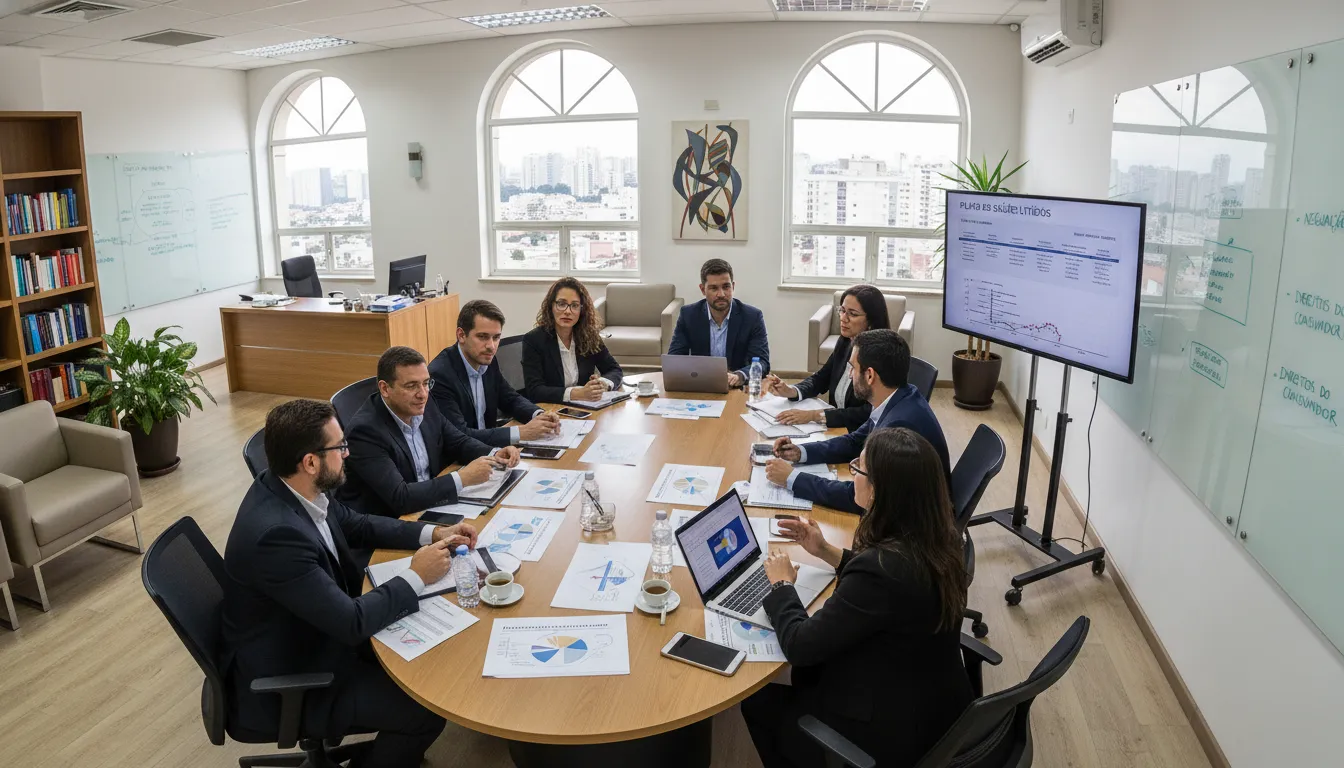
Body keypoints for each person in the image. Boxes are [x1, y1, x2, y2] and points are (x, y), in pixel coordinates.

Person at [221, 398, 480, 768]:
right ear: (310, 462)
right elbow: (351, 623)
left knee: (436, 659)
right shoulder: (277, 536)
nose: (348, 453)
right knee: (423, 710)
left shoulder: (295, 487)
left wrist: (435, 531)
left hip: (312, 632)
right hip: (298, 673)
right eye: (340, 446)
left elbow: (358, 524)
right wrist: (417, 575)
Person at [742, 427, 974, 768]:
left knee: (757, 703)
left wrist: (781, 587)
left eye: (858, 469)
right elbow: (895, 585)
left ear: (881, 491)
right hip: (937, 707)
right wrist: (825, 551)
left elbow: (801, 647)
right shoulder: (942, 541)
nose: (853, 476)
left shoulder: (880, 571)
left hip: (886, 734)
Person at [764, 329, 950, 515]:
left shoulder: (899, 427)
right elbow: (854, 441)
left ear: (870, 375)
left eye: (853, 368)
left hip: (914, 527)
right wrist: (800, 452)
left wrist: (792, 478)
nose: (850, 375)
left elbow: (862, 499)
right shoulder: (897, 397)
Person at [339, 346, 522, 518]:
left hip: (431, 503)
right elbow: (400, 497)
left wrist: (495, 454)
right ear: (385, 389)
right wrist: (462, 479)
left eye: (426, 383)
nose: (422, 394)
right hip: (392, 522)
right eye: (411, 386)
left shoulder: (424, 403)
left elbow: (457, 441)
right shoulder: (365, 432)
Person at [429, 299, 561, 447]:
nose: (491, 346)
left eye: (496, 337)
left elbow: (510, 399)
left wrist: (539, 415)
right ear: (461, 335)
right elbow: (460, 434)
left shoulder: (486, 360)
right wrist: (521, 432)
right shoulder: (441, 375)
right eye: (482, 337)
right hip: (460, 458)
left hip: (489, 449)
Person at [764, 284, 891, 431]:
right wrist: (792, 390)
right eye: (842, 311)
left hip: (861, 434)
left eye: (853, 314)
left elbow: (868, 412)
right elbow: (821, 378)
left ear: (871, 321)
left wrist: (814, 415)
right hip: (836, 427)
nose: (843, 318)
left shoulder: (880, 357)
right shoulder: (845, 341)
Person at [667, 258, 770, 388]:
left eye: (726, 287)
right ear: (703, 289)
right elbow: (674, 359)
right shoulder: (689, 315)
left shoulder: (752, 316)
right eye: (714, 288)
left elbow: (762, 362)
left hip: (737, 387)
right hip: (701, 385)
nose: (721, 294)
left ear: (733, 286)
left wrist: (739, 375)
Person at [521, 277, 624, 404]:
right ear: (551, 306)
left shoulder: (588, 336)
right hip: (552, 410)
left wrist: (604, 384)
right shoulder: (534, 340)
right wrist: (577, 394)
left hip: (584, 408)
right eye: (562, 304)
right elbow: (535, 390)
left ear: (582, 310)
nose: (568, 311)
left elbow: (614, 369)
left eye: (574, 306)